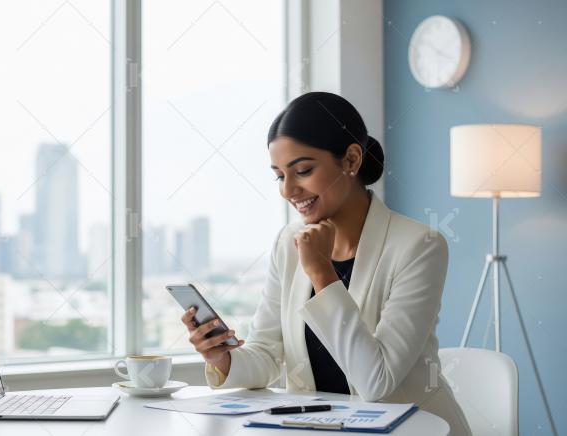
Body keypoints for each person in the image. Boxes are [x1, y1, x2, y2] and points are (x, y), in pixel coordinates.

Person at [180, 92, 472, 435]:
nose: (288, 190)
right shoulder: (288, 243)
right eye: (279, 175)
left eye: (302, 170)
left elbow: (377, 381)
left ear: (350, 160)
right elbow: (267, 353)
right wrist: (222, 358)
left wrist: (322, 272)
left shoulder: (419, 246)